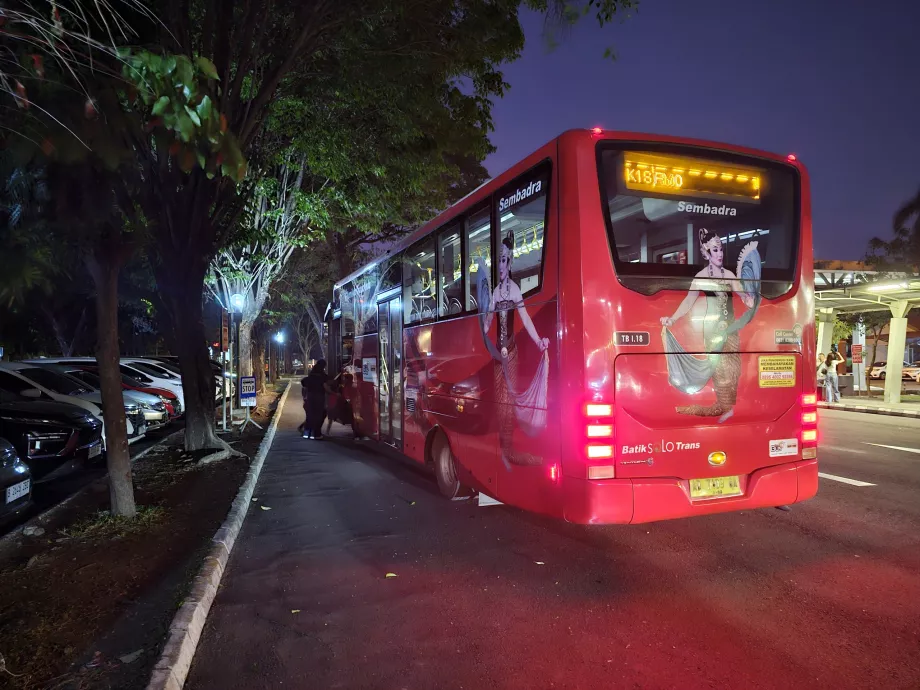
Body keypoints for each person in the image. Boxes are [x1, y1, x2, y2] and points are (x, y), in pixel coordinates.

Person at [660, 229, 758, 424]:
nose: (720, 254)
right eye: (715, 250)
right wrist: (672, 319)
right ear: (706, 252)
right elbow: (689, 301)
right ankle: (723, 406)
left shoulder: (729, 274)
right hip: (712, 330)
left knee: (733, 368)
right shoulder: (701, 276)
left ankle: (727, 406)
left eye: (721, 249)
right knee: (719, 369)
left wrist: (749, 300)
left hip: (730, 329)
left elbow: (743, 296)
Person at [481, 233, 550, 469]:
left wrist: (539, 340)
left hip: (510, 352)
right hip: (496, 356)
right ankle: (505, 449)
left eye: (503, 261)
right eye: (498, 261)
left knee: (508, 400)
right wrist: (484, 323)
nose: (500, 265)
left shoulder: (514, 290)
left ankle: (509, 450)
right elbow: (488, 321)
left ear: (509, 263)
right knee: (499, 401)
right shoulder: (495, 293)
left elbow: (526, 319)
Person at [301, 359, 334, 439]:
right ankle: (316, 434)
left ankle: (306, 433)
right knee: (319, 415)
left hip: (310, 397)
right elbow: (326, 387)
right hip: (319, 397)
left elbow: (304, 384)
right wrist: (333, 393)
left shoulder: (312, 374)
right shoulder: (322, 376)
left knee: (310, 415)